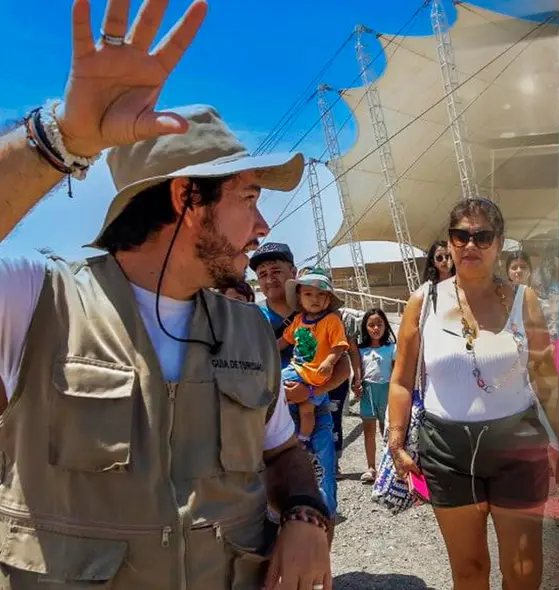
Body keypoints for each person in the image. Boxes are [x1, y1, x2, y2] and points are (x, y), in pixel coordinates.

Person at [0, 1, 331, 587]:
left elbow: (281, 453)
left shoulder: (250, 329)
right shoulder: (38, 302)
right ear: (187, 200)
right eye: (249, 198)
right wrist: (62, 139)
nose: (263, 229)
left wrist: (307, 515)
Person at [388, 199, 558, 590]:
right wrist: (396, 442)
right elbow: (400, 379)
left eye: (482, 236)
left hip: (517, 444)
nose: (470, 245)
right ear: (449, 242)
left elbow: (545, 374)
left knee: (522, 568)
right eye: (461, 235)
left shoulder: (522, 299)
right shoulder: (423, 301)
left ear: (498, 243)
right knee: (468, 570)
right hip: (447, 451)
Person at [278, 272, 348, 514]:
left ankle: (325, 510)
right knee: (293, 398)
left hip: (314, 377)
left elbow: (340, 347)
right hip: (298, 371)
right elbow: (283, 342)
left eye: (321, 295)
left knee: (299, 402)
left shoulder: (331, 321)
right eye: (308, 294)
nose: (314, 299)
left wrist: (329, 361)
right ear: (299, 297)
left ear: (329, 300)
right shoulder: (298, 321)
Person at [357, 308, 397, 484]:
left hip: (387, 392)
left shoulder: (392, 348)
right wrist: (355, 385)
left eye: (379, 324)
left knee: (386, 430)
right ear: (365, 328)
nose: (375, 328)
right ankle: (371, 467)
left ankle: (388, 466)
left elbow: (397, 372)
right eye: (371, 325)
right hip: (368, 393)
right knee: (368, 431)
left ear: (385, 326)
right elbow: (358, 373)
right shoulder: (361, 350)